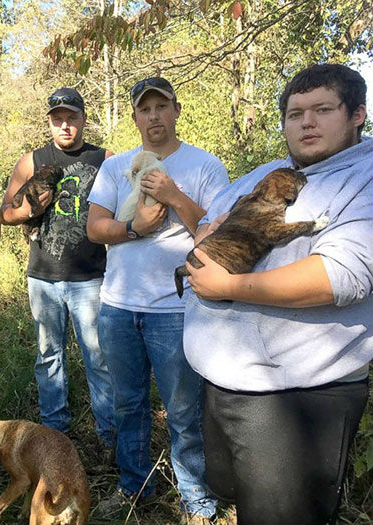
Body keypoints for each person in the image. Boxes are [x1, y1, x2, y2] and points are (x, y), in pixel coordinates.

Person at [183, 63, 372, 525]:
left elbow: (340, 275)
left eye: (323, 109)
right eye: (295, 113)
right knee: (244, 503)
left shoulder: (364, 176)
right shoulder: (270, 171)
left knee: (286, 517)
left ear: (357, 115)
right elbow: (214, 219)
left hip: (297, 398)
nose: (306, 122)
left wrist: (227, 286)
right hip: (228, 378)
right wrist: (208, 228)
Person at [87, 77, 228, 522]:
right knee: (127, 404)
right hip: (118, 307)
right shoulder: (116, 168)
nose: (153, 117)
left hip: (176, 308)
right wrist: (136, 229)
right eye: (144, 110)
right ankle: (135, 488)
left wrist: (172, 195)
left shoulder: (204, 166)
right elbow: (95, 228)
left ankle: (196, 497)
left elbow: (218, 233)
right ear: (135, 117)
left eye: (161, 107)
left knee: (184, 409)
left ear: (176, 111)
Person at [0, 87, 116, 453]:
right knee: (49, 357)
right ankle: (54, 434)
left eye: (72, 118)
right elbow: (6, 213)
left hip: (90, 275)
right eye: (58, 119)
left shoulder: (105, 159)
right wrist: (28, 211)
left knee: (97, 356)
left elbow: (123, 208)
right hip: (44, 276)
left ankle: (109, 435)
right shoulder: (31, 160)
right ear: (49, 122)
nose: (65, 126)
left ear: (83, 118)